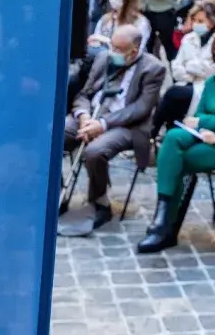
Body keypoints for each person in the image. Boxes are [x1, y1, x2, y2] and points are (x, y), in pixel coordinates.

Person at [138, 28, 215, 253]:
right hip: (207, 135)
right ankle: (163, 217)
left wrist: (207, 125)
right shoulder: (213, 80)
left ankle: (165, 226)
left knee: (176, 161)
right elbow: (200, 114)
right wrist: (205, 127)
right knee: (172, 137)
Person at [65, 25, 165, 229]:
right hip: (92, 115)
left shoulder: (153, 68)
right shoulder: (103, 58)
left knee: (95, 151)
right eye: (112, 46)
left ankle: (100, 203)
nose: (112, 52)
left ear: (134, 51)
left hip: (127, 125)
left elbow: (141, 108)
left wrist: (103, 124)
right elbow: (85, 93)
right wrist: (83, 116)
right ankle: (56, 194)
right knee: (54, 135)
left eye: (118, 49)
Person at [152, 1, 215, 136]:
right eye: (194, 20)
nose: (196, 24)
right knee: (174, 99)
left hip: (207, 86)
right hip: (186, 82)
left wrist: (190, 66)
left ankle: (153, 132)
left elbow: (213, 71)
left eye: (201, 21)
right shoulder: (188, 38)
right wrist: (193, 72)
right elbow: (176, 68)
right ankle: (165, 133)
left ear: (213, 22)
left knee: (173, 93)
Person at [88, 0, 152, 54]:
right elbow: (95, 42)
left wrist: (108, 42)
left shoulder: (140, 22)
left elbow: (136, 53)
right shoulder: (105, 19)